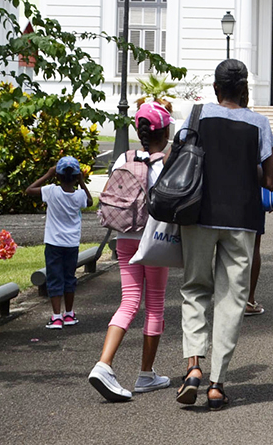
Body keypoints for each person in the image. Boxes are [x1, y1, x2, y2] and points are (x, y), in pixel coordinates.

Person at [173, 60, 273, 411]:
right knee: (232, 300)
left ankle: (193, 369)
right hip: (243, 220)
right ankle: (217, 383)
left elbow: (180, 159)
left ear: (216, 89)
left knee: (194, 289)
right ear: (244, 88)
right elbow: (270, 180)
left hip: (199, 214)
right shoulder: (259, 123)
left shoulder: (197, 115)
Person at [89, 102, 173, 402]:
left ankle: (104, 363)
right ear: (164, 132)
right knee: (154, 305)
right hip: (154, 241)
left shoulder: (123, 158)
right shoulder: (164, 163)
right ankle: (146, 374)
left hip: (123, 238)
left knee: (128, 302)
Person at [25, 155, 92, 331]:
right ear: (76, 176)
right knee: (69, 277)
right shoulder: (79, 195)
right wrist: (82, 182)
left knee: (55, 278)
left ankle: (56, 317)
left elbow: (29, 190)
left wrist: (47, 174)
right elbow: (90, 201)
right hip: (71, 244)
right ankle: (69, 314)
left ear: (58, 176)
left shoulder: (52, 191)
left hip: (54, 243)